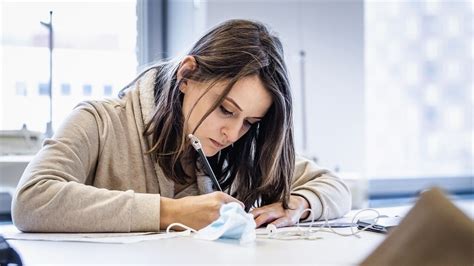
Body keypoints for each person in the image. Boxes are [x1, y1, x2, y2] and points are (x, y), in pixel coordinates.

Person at [11, 19, 351, 233]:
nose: (232, 134)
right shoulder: (99, 121)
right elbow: (31, 200)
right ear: (187, 75)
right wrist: (171, 212)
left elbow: (334, 186)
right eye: (225, 109)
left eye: (250, 122)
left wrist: (296, 208)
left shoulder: (244, 149)